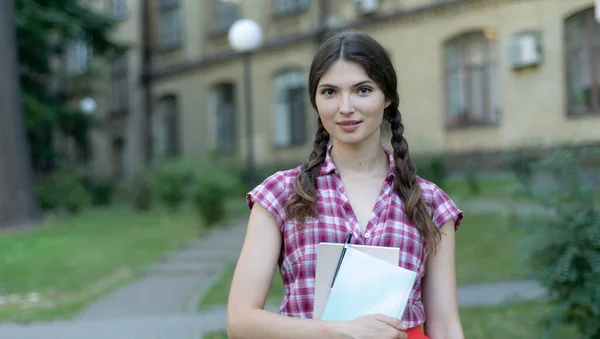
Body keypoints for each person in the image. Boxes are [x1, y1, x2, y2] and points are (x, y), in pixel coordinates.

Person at [226, 29, 464, 339]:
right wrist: (339, 331)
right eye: (330, 92)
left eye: (363, 90)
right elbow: (240, 322)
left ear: (387, 96)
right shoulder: (280, 194)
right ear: (315, 100)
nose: (345, 107)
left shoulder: (430, 202)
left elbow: (444, 325)